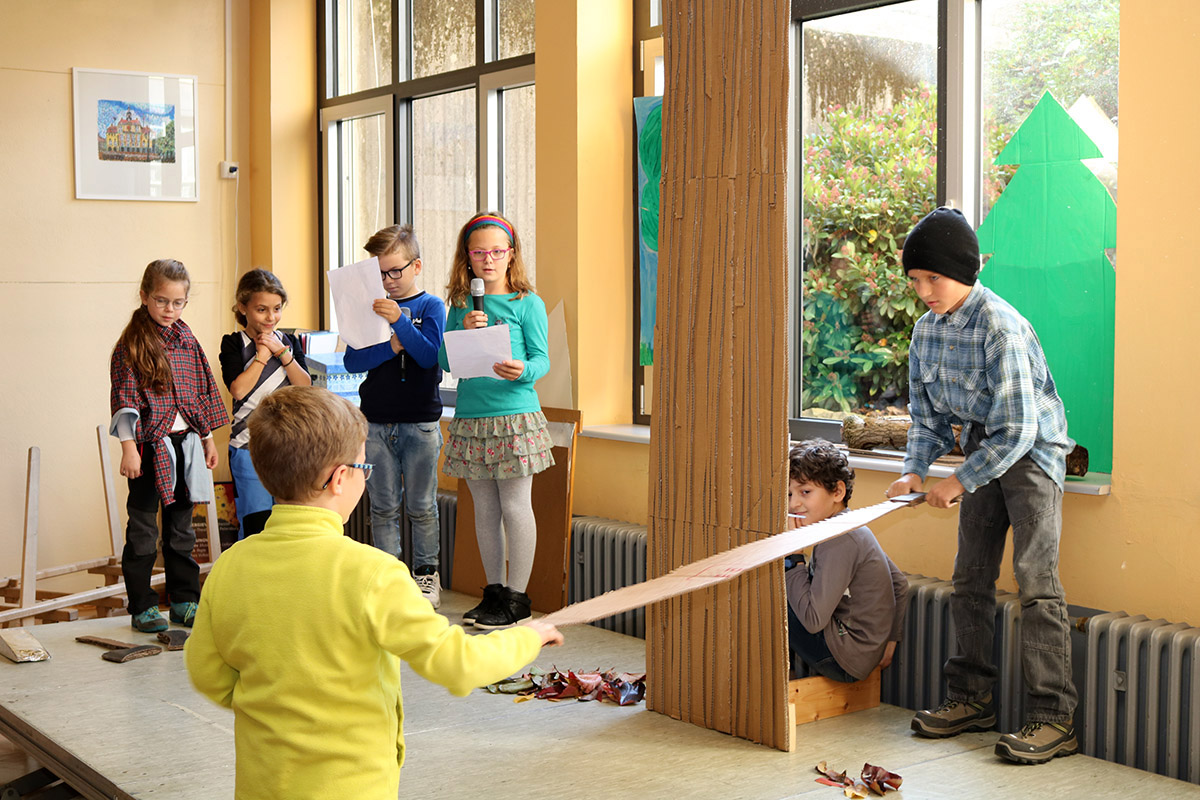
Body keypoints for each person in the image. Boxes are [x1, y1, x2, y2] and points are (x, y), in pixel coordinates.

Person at [185, 386, 562, 800]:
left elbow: (207, 672)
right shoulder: (374, 574)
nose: (366, 477)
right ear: (338, 478)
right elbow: (457, 663)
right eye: (364, 468)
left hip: (261, 784)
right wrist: (530, 636)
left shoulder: (230, 567)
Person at [886, 207, 1078, 765]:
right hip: (980, 450)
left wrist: (960, 481)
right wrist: (915, 470)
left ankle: (1054, 717)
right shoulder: (926, 331)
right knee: (969, 578)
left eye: (933, 279)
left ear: (965, 273)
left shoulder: (1000, 326)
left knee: (1035, 581)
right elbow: (925, 420)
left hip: (1031, 456)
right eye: (915, 280)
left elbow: (1018, 430)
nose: (923, 291)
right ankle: (970, 699)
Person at [439, 211, 554, 630]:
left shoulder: (529, 304)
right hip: (471, 416)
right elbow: (444, 362)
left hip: (514, 416)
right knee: (484, 510)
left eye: (497, 251)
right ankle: (494, 591)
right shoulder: (459, 306)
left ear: (511, 255)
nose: (489, 259)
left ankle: (518, 598)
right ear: (467, 258)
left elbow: (542, 360)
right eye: (479, 252)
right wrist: (464, 329)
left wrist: (521, 370)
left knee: (514, 505)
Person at [109, 259, 229, 632]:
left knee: (182, 530)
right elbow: (124, 398)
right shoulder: (131, 345)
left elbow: (202, 391)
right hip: (149, 447)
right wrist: (129, 448)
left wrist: (207, 438)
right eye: (162, 301)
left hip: (187, 444)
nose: (169, 310)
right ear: (145, 296)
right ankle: (143, 606)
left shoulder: (186, 339)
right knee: (143, 530)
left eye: (178, 303)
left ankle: (184, 601)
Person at [343, 224, 447, 607]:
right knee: (383, 505)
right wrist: (390, 344)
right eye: (380, 274)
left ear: (415, 266)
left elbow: (429, 357)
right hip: (375, 421)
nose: (388, 281)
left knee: (422, 506)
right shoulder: (368, 308)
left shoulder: (431, 307)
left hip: (420, 422)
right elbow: (354, 360)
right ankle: (389, 577)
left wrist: (401, 321)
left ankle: (425, 576)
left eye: (395, 271)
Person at [785, 440, 908, 684]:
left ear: (838, 492)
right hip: (864, 653)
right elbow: (900, 583)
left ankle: (777, 687)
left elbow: (812, 621)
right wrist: (890, 641)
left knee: (767, 593)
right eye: (789, 493)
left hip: (844, 660)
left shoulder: (838, 540)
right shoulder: (852, 526)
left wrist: (793, 555)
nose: (793, 504)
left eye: (805, 492)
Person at [219, 268, 311, 539]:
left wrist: (282, 353)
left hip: (288, 446)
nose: (271, 317)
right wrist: (261, 355)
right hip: (248, 446)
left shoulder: (290, 342)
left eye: (277, 309)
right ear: (242, 307)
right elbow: (238, 390)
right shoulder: (234, 344)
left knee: (288, 523)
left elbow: (304, 386)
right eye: (261, 310)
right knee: (256, 524)